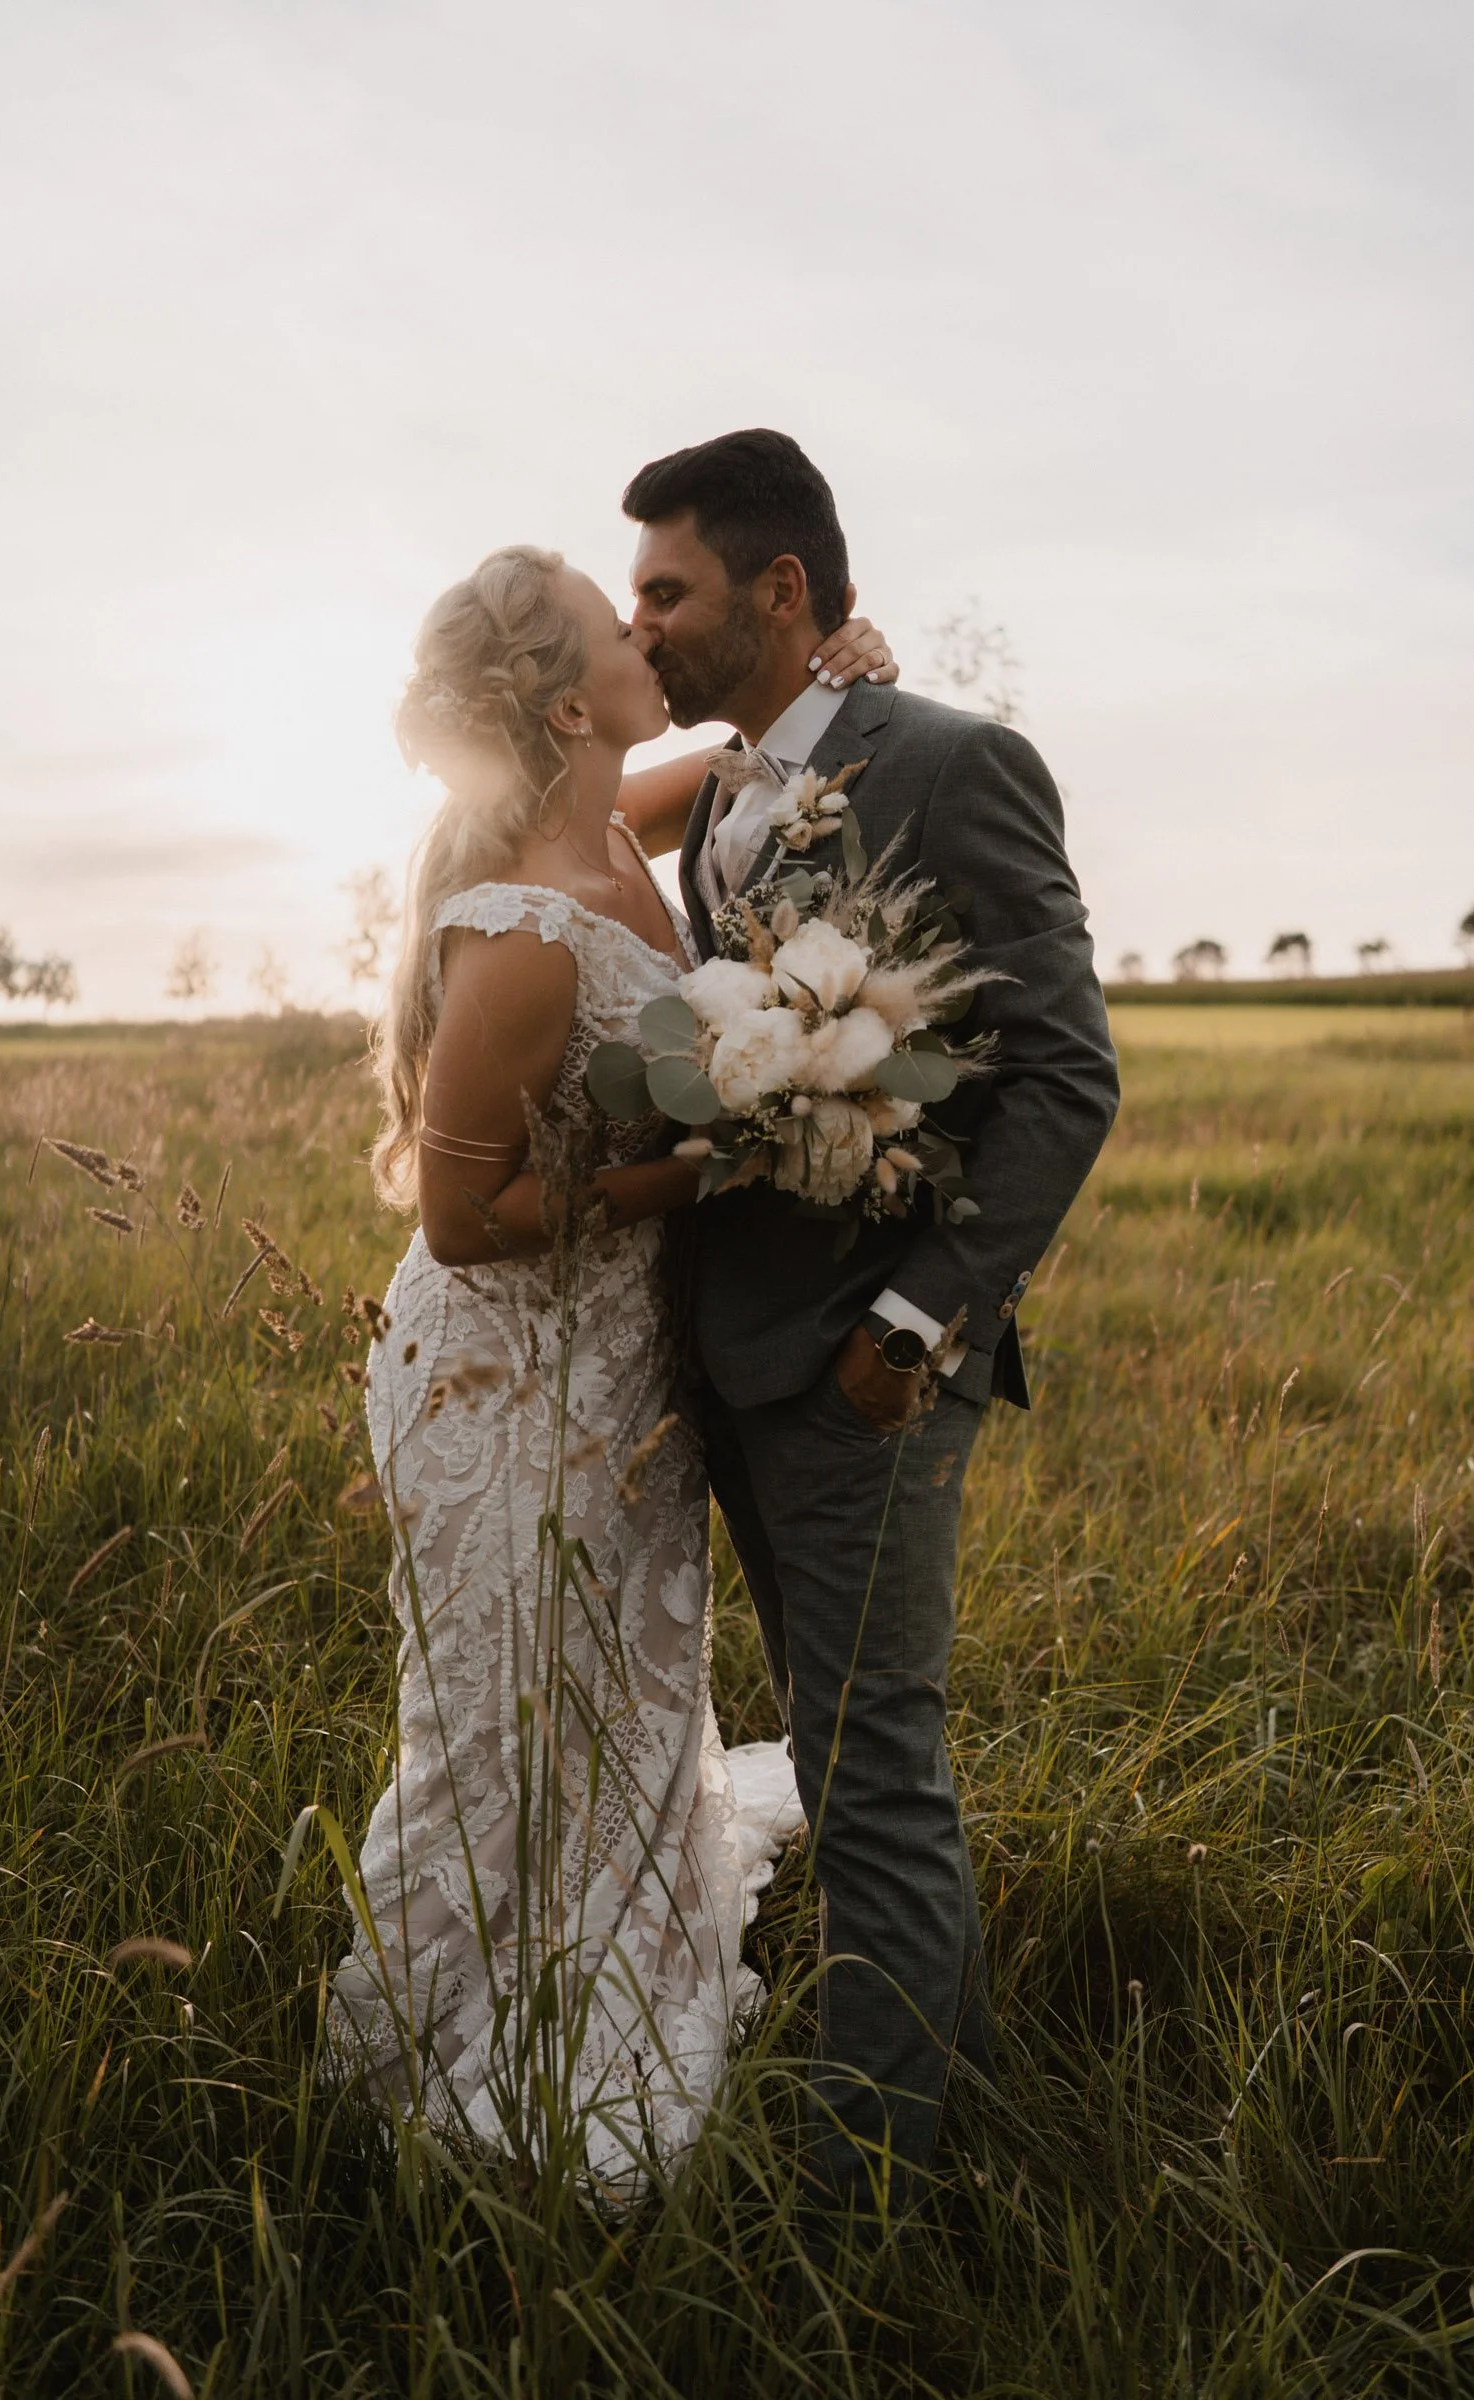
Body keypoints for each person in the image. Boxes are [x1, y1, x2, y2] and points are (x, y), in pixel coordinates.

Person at [326, 542, 897, 2187]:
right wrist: (712, 1159)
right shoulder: (524, 929)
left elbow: (738, 764)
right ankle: (474, 2063)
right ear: (571, 698)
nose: (651, 630)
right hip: (505, 1385)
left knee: (626, 1697)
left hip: (615, 1369)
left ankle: (614, 1977)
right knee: (516, 1726)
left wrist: (830, 676)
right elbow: (457, 1220)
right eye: (616, 615)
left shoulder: (604, 830)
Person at [623, 428, 1121, 2213]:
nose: (642, 623)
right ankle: (934, 2111)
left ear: (779, 589)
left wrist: (912, 1323)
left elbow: (1064, 1077)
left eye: (666, 589)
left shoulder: (960, 765)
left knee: (873, 1773)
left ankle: (868, 2206)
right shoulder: (733, 799)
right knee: (844, 1769)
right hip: (731, 1354)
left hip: (866, 1367)